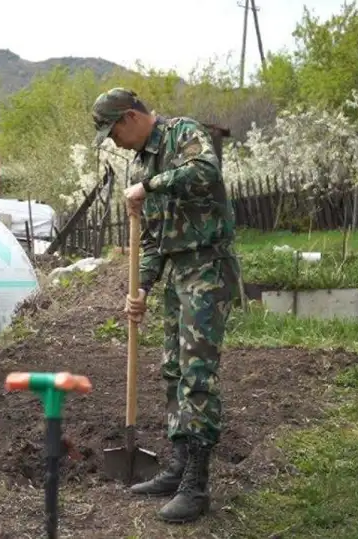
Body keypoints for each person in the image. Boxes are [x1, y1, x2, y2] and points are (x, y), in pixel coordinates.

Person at [91, 87, 242, 524]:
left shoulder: (182, 135)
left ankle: (197, 485)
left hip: (208, 268)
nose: (114, 141)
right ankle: (178, 467)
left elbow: (206, 171)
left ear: (131, 117)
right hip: (178, 274)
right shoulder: (141, 162)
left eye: (113, 131)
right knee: (173, 369)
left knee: (197, 374)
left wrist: (151, 184)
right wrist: (141, 288)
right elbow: (154, 239)